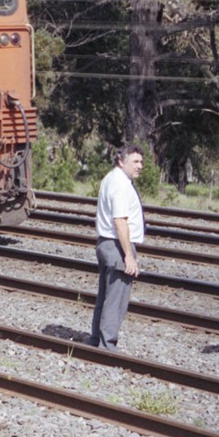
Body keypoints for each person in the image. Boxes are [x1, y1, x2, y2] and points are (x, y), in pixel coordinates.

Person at [88, 144, 146, 350]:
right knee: (116, 300)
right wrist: (128, 256)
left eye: (141, 162)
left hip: (105, 243)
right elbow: (120, 221)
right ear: (122, 161)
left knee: (105, 296)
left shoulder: (110, 178)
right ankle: (107, 346)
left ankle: (96, 339)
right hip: (116, 246)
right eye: (135, 162)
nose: (140, 166)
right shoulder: (121, 184)